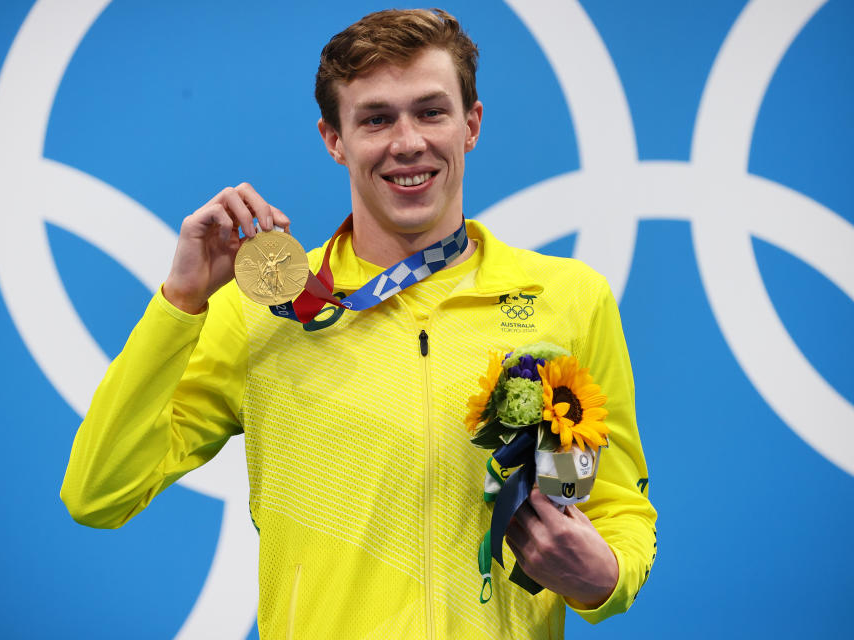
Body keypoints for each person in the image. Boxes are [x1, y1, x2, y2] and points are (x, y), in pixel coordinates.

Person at [61, 8, 656, 638]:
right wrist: (180, 303)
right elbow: (99, 493)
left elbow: (618, 505)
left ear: (471, 124)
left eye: (431, 111)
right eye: (376, 119)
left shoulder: (567, 297)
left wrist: (607, 577)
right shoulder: (263, 308)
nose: (407, 143)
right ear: (333, 139)